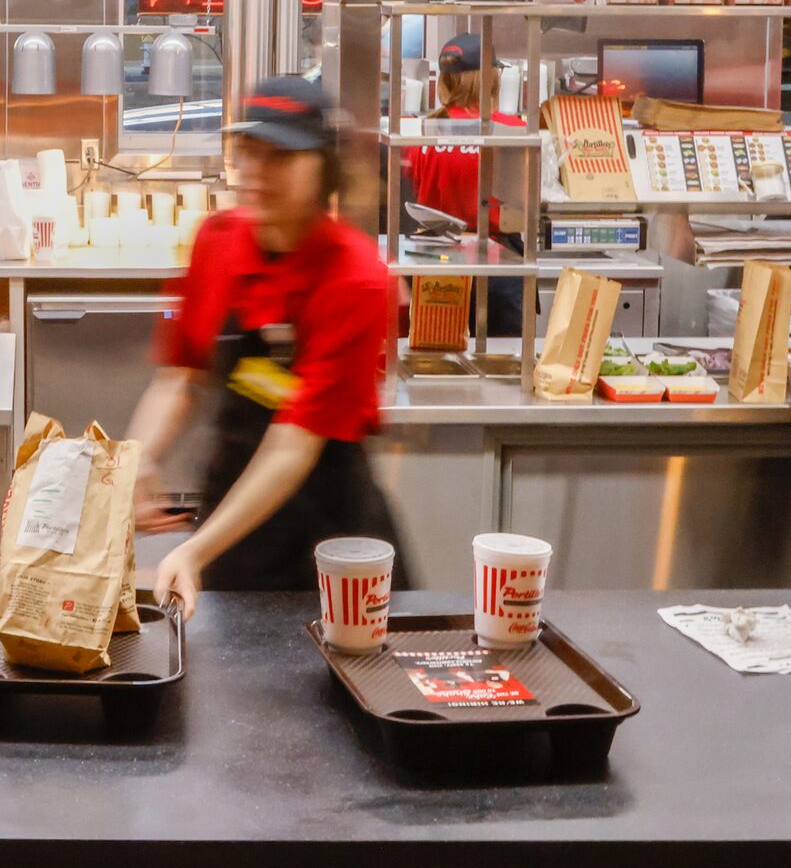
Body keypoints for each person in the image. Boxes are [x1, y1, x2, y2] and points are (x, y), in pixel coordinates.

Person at [136, 78, 401, 615]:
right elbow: (180, 377)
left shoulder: (358, 280)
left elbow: (293, 446)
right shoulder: (218, 240)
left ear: (323, 167)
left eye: (281, 155)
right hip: (236, 520)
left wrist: (192, 548)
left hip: (330, 546)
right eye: (250, 151)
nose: (257, 171)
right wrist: (138, 457)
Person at [399, 33, 532, 335]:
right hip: (500, 264)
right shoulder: (513, 131)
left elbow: (414, 194)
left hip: (437, 264)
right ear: (493, 79)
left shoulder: (423, 133)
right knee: (503, 364)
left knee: (435, 360)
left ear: (444, 80)